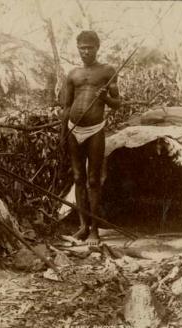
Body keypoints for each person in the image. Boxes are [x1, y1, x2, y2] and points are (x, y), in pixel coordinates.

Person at [61, 31, 120, 245]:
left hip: (95, 129)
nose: (85, 51)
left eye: (89, 47)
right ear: (77, 48)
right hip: (72, 129)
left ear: (97, 48)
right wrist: (62, 133)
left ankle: (95, 230)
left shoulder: (107, 71)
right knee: (78, 177)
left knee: (93, 179)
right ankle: (82, 226)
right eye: (82, 47)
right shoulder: (73, 74)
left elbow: (117, 102)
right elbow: (67, 106)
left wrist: (105, 96)